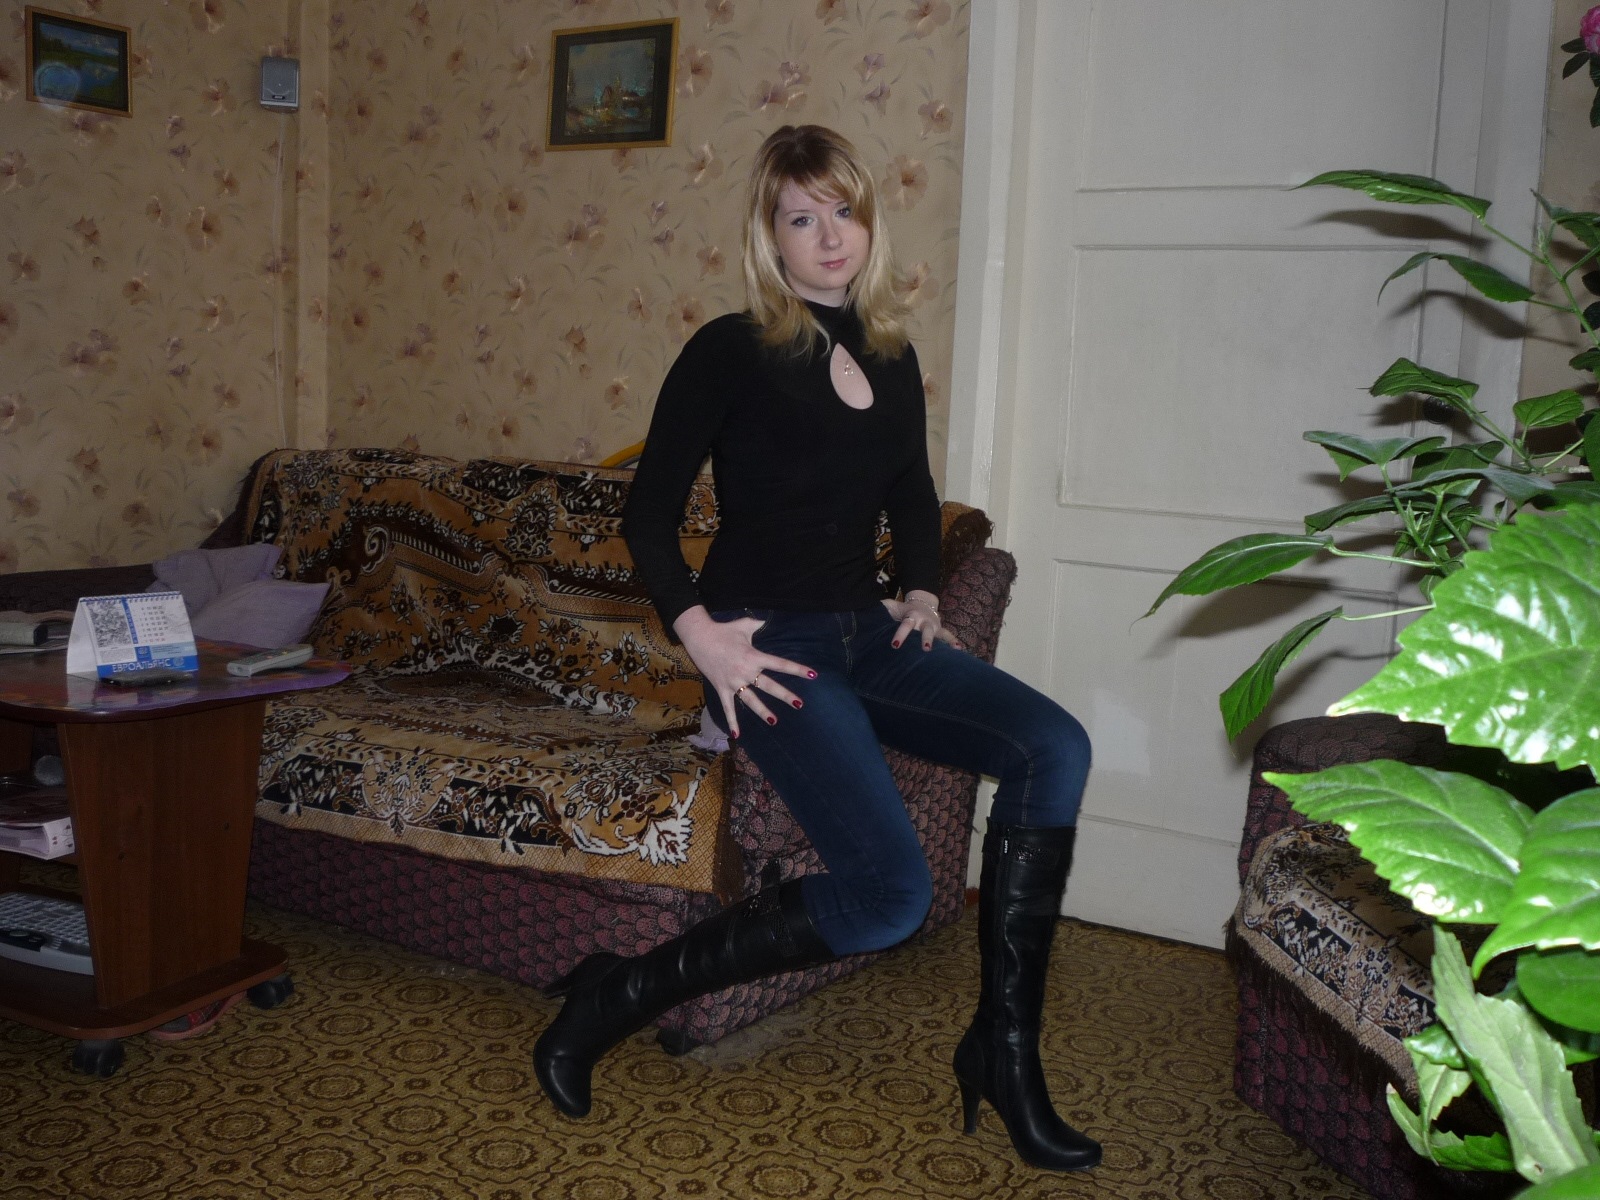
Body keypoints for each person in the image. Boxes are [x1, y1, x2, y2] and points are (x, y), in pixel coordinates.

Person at [533, 124, 1101, 1172]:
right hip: (771, 647)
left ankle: (1004, 1049)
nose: (831, 236)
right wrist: (702, 638)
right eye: (803, 218)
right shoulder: (730, 349)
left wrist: (922, 589)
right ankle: (615, 997)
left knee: (1054, 748)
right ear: (771, 236)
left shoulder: (891, 354)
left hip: (867, 634)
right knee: (891, 899)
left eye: (844, 211)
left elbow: (912, 490)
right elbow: (647, 514)